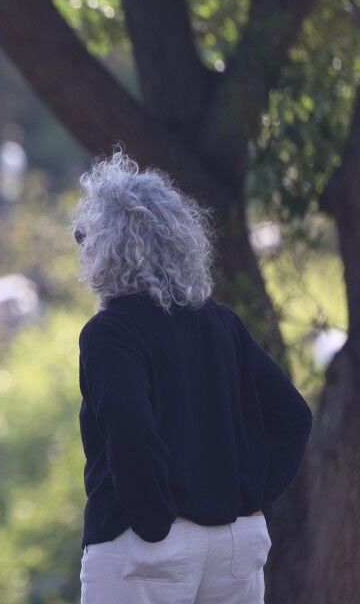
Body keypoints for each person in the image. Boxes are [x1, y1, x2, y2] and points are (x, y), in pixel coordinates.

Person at [73, 153, 313, 603]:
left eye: (85, 236)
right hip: (234, 545)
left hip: (145, 547)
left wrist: (154, 523)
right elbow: (294, 416)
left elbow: (131, 434)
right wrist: (252, 499)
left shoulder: (111, 332)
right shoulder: (221, 324)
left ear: (108, 247)